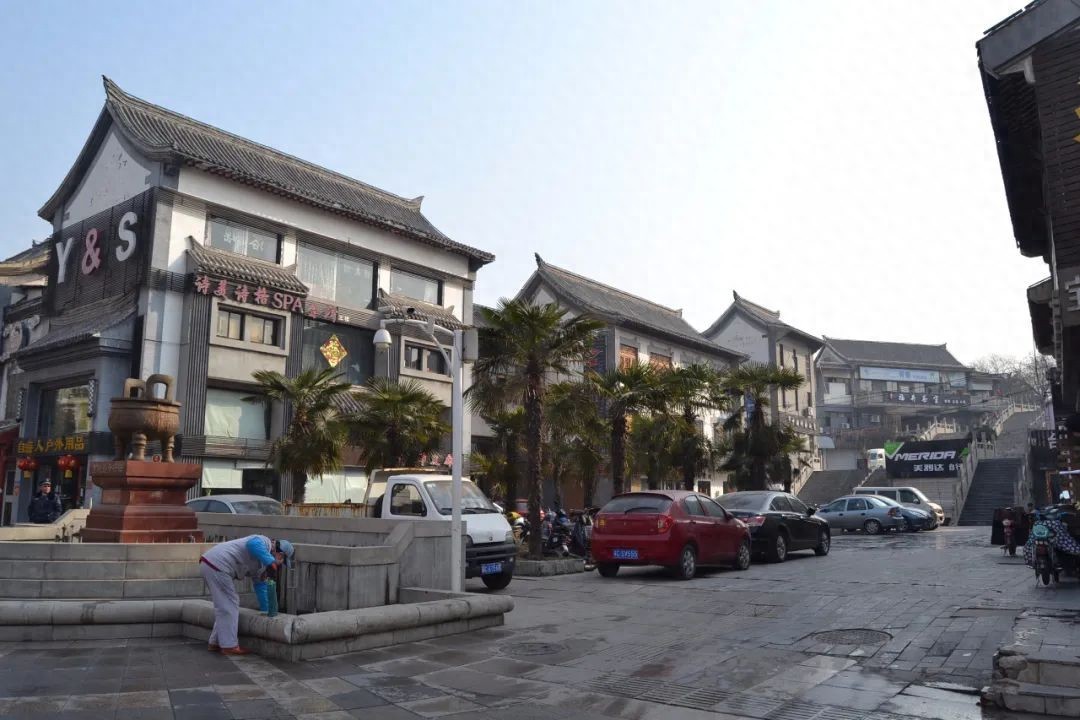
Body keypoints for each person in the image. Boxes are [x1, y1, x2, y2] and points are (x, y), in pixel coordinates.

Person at [199, 535, 294, 655]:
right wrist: (270, 562)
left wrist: (267, 611)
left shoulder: (262, 564)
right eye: (282, 560)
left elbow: (261, 587)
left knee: (225, 605)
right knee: (230, 603)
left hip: (213, 564)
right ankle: (229, 646)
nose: (280, 563)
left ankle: (215, 642)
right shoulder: (264, 542)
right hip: (216, 564)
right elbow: (252, 544)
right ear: (279, 553)